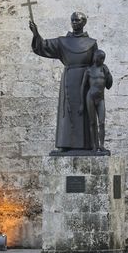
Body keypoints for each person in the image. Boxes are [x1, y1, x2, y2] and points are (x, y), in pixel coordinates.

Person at [29, 12, 98, 152]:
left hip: (85, 81)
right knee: (67, 111)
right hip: (69, 78)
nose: (74, 22)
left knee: (85, 111)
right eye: (72, 20)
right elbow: (43, 46)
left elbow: (96, 63)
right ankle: (65, 144)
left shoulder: (92, 43)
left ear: (83, 22)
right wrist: (36, 34)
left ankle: (88, 145)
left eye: (77, 20)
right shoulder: (62, 42)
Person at [78, 50, 113, 152]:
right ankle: (94, 145)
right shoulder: (88, 70)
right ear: (96, 58)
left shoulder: (104, 69)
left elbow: (109, 86)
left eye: (103, 58)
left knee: (101, 122)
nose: (102, 60)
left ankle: (101, 145)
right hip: (90, 97)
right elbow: (82, 87)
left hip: (100, 98)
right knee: (93, 122)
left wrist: (108, 74)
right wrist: (81, 104)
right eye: (101, 58)